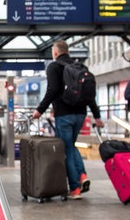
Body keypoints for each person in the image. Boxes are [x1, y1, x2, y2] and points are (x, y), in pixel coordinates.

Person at [32, 40, 104, 200]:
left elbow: (52, 90)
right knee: (71, 145)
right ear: (68, 51)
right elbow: (90, 95)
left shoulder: (54, 66)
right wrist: (97, 116)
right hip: (80, 113)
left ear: (56, 52)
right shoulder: (80, 67)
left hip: (63, 114)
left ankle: (75, 188)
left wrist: (40, 110)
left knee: (66, 150)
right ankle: (82, 175)